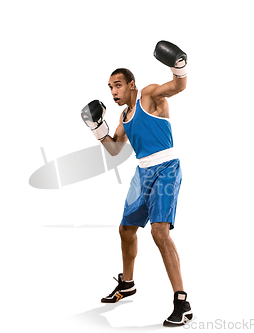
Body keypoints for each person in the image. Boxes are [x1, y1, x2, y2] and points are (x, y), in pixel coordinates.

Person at [81, 40, 192, 327]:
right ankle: (127, 283)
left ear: (131, 84)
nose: (113, 92)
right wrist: (97, 129)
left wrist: (178, 66)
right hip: (142, 174)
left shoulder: (149, 96)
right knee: (126, 228)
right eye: (109, 88)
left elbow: (179, 87)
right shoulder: (124, 117)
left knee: (159, 232)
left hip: (166, 168)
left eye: (117, 85)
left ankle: (182, 301)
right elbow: (115, 149)